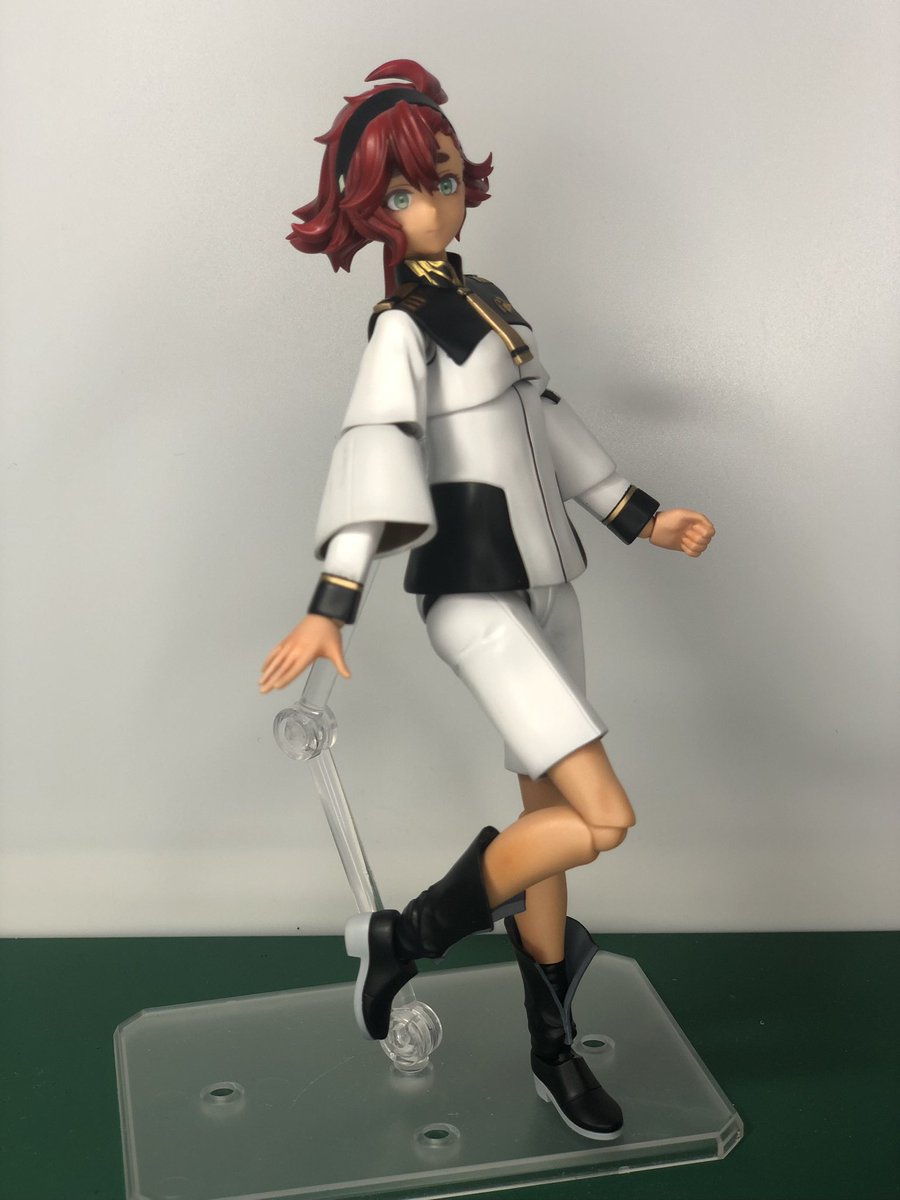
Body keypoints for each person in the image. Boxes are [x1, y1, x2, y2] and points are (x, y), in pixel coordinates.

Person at [260, 59, 715, 1141]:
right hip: (474, 594)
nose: (434, 203)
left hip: (551, 583)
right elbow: (373, 451)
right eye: (406, 191)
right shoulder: (401, 330)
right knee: (600, 819)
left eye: (447, 179)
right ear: (368, 210)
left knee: (547, 814)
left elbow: (549, 423)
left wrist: (640, 514)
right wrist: (331, 601)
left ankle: (552, 1046)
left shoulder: (490, 304)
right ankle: (409, 936)